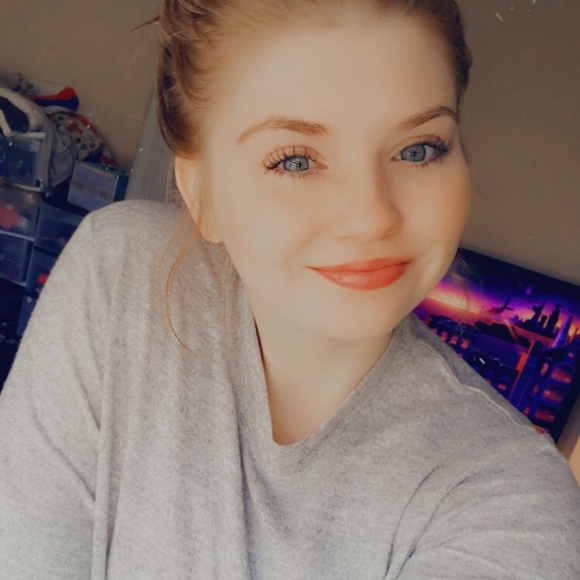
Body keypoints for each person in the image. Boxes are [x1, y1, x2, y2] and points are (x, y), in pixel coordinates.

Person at [0, 0, 579, 577]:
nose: (371, 217)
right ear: (199, 192)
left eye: (419, 149)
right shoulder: (121, 276)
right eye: (296, 161)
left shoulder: (511, 503)